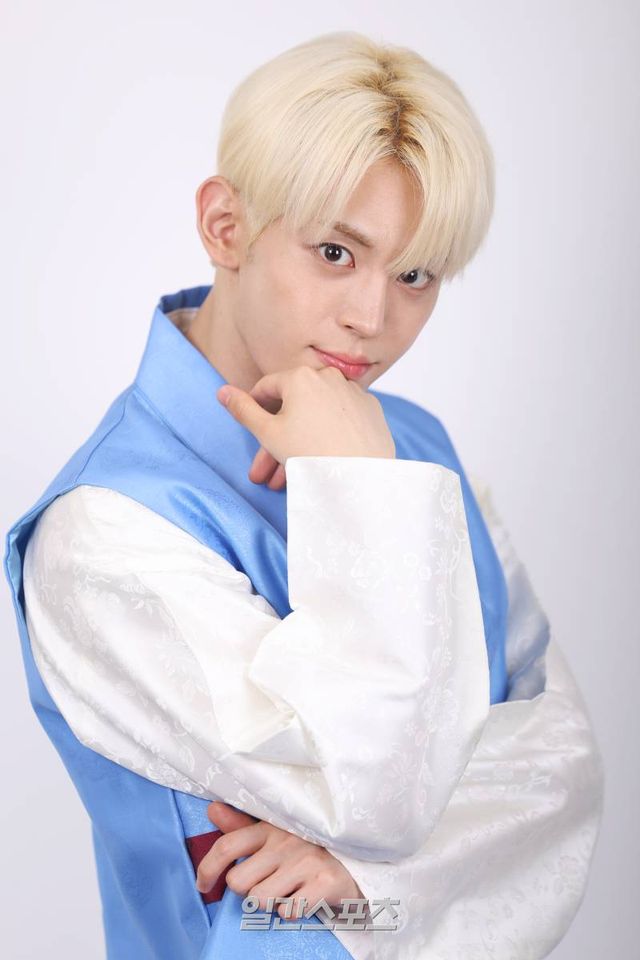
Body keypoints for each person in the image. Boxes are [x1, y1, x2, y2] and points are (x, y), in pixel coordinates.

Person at [4, 30, 603, 960]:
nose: (372, 319)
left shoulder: (420, 449)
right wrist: (366, 494)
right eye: (334, 251)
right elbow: (378, 798)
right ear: (225, 226)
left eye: (415, 274)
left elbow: (562, 763)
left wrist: (370, 881)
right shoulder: (103, 531)